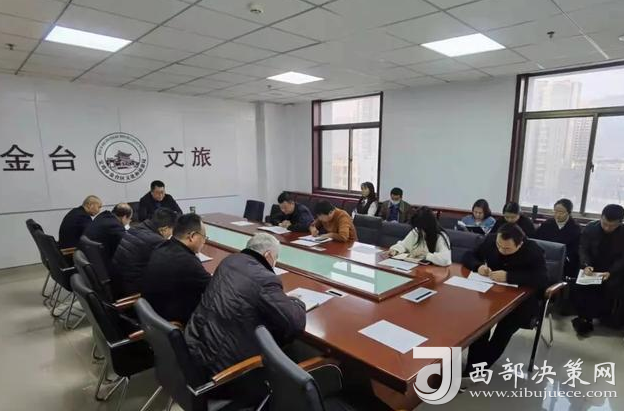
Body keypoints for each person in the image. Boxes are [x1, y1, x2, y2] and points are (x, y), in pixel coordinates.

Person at [185, 233, 306, 383]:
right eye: (276, 257)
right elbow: (294, 323)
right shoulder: (265, 279)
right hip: (222, 374)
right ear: (268, 255)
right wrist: (296, 301)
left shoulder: (229, 261)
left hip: (192, 352)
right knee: (289, 350)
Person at [462, 223, 548, 374]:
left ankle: (476, 370)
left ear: (520, 244)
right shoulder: (492, 240)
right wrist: (478, 266)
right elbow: (468, 255)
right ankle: (473, 367)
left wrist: (509, 276)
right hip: (492, 296)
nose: (501, 250)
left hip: (521, 302)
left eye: (507, 248)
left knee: (502, 332)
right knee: (480, 328)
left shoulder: (533, 250)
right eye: (499, 246)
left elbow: (542, 278)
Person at [142, 213, 210, 324]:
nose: (204, 241)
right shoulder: (187, 262)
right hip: (174, 323)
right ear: (192, 236)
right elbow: (213, 287)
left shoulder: (161, 247)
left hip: (153, 316)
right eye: (204, 237)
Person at [571, 204, 624, 336]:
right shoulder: (591, 228)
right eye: (604, 223)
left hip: (613, 269)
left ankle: (604, 316)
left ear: (620, 222)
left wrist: (611, 272)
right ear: (601, 217)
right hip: (592, 266)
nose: (607, 228)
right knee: (582, 286)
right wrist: (586, 265)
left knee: (609, 288)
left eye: (612, 226)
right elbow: (583, 248)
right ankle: (584, 318)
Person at [111, 208, 178, 297]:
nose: (171, 234)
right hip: (132, 290)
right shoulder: (156, 241)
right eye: (172, 230)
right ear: (164, 229)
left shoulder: (135, 228)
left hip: (117, 283)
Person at [535, 199, 581, 280]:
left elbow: (575, 250)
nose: (557, 215)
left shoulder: (575, 228)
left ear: (569, 213)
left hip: (566, 262)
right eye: (555, 211)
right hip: (545, 258)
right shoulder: (547, 224)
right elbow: (538, 241)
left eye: (561, 212)